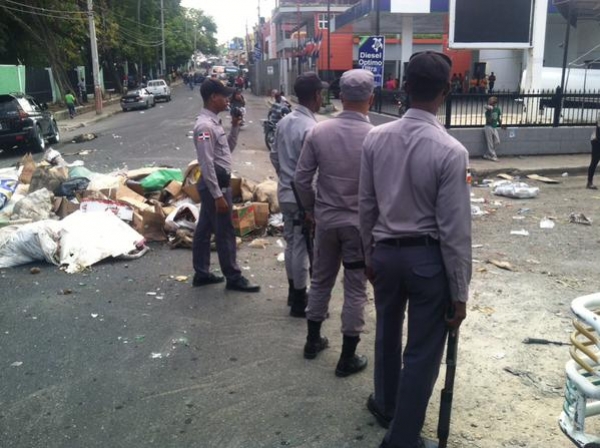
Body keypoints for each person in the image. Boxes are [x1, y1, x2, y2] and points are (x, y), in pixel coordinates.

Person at [359, 51, 471, 448]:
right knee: (422, 351)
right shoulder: (450, 150)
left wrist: (370, 256)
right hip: (427, 261)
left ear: (404, 87)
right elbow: (454, 231)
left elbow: (367, 205)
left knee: (387, 331)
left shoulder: (375, 137)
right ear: (445, 91)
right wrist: (459, 293)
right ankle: (402, 437)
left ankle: (387, 405)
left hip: (386, 253)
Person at [294, 69, 374, 374]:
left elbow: (301, 179)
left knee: (321, 280)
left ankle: (312, 341)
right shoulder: (375, 137)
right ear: (371, 99)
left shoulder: (319, 132)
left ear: (340, 97)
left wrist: (312, 209)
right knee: (355, 287)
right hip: (358, 227)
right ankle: (347, 357)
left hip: (326, 222)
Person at [191, 78, 260, 293]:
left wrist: (235, 128)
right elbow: (206, 163)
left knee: (204, 230)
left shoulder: (213, 123)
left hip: (216, 183)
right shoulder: (204, 126)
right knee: (225, 232)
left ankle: (201, 273)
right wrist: (218, 195)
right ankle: (233, 276)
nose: (228, 99)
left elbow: (226, 151)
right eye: (224, 95)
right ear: (213, 98)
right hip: (216, 186)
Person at [270, 72, 327, 317]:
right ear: (316, 96)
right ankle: (299, 299)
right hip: (302, 197)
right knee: (304, 247)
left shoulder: (284, 122)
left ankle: (295, 293)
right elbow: (315, 170)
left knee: (293, 244)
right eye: (321, 93)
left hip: (285, 192)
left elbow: (273, 155)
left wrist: (284, 174)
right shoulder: (312, 128)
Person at [483, 96, 502, 161]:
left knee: (497, 141)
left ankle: (487, 154)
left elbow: (498, 118)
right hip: (488, 127)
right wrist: (490, 111)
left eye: (493, 103)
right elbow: (489, 121)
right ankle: (493, 155)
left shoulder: (497, 109)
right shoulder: (487, 112)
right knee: (490, 142)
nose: (492, 104)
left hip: (494, 127)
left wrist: (501, 125)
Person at [587, 113, 600, 189]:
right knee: (594, 162)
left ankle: (589, 182)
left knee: (594, 162)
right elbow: (598, 131)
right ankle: (589, 182)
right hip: (596, 141)